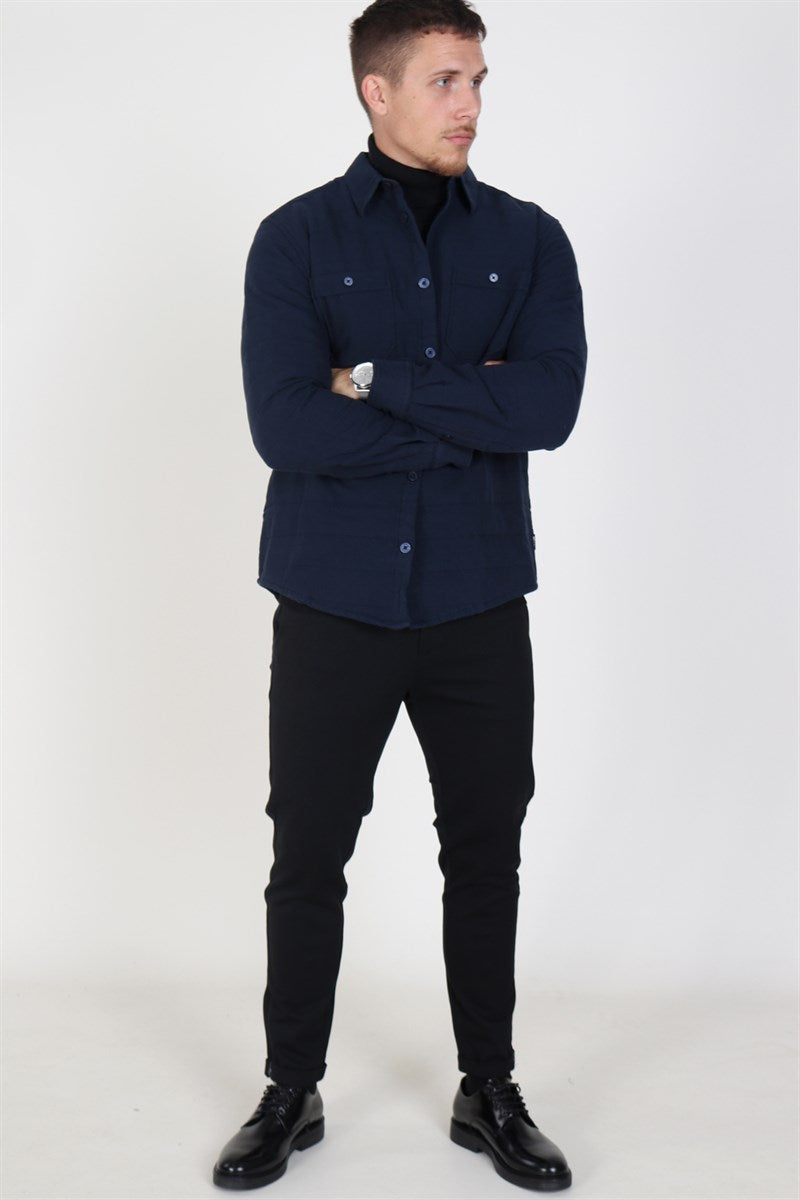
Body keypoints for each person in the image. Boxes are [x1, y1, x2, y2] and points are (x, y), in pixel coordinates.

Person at [213, 0, 587, 1190]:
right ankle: (289, 1090)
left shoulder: (529, 240)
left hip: (478, 600)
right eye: (443, 80)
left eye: (476, 79)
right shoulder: (294, 239)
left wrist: (369, 382)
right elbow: (285, 428)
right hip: (332, 601)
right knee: (307, 854)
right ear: (376, 91)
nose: (469, 103)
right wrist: (468, 411)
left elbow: (546, 410)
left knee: (484, 852)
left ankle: (489, 1088)